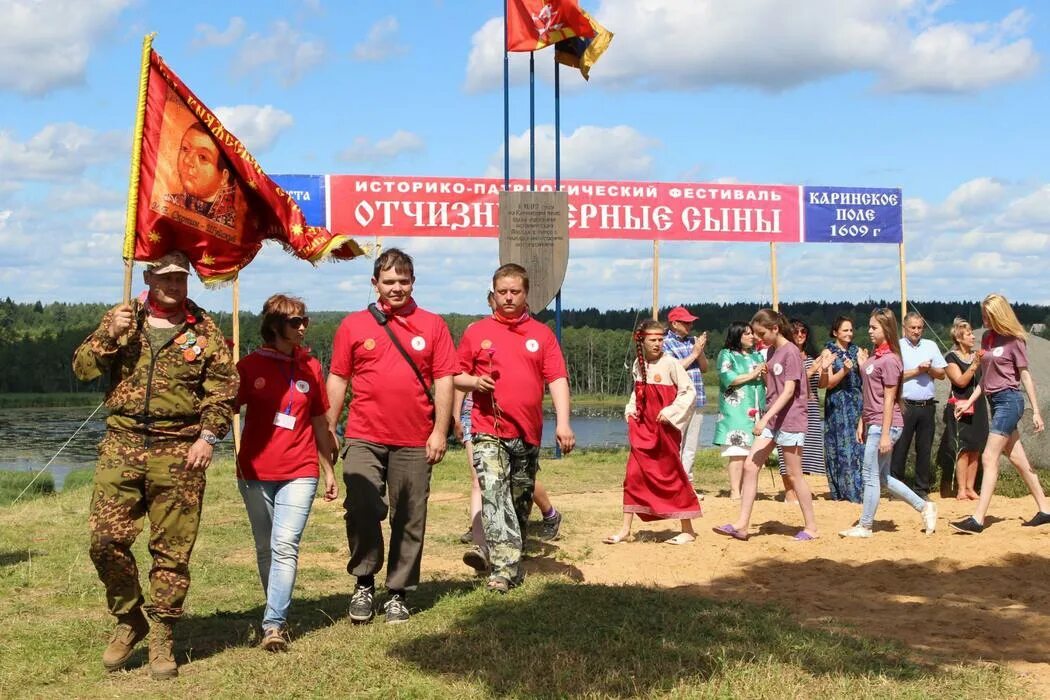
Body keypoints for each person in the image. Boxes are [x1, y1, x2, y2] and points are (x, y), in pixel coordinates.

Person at [72, 250, 237, 680]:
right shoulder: (125, 318)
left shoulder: (205, 330)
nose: (173, 285)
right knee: (105, 541)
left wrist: (208, 437)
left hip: (180, 449)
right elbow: (83, 369)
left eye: (180, 278)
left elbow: (223, 392)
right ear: (148, 276)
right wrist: (109, 334)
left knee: (171, 551)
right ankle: (130, 618)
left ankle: (163, 632)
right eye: (165, 277)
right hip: (122, 443)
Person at [325, 248, 456, 624]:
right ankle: (364, 581)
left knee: (410, 515)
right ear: (375, 284)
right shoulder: (353, 325)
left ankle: (398, 591)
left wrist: (439, 431)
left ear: (413, 282)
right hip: (364, 434)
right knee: (363, 507)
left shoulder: (433, 325)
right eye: (389, 281)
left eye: (403, 281)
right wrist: (330, 428)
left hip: (416, 438)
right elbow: (338, 378)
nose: (396, 288)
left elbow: (444, 379)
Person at [454, 263, 575, 593]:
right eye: (502, 292)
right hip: (486, 428)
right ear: (493, 294)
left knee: (519, 502)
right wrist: (473, 382)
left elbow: (557, 379)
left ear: (525, 294)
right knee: (492, 491)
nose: (508, 298)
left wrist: (563, 423)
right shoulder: (476, 332)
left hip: (527, 433)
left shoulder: (542, 335)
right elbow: (455, 375)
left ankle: (512, 554)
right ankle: (503, 570)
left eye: (515, 292)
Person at [235, 294, 338, 651]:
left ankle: (273, 625)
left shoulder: (311, 366)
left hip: (300, 469)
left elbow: (319, 421)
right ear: (275, 326)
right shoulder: (248, 367)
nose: (303, 326)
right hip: (255, 470)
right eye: (295, 321)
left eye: (304, 319)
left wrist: (328, 470)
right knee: (265, 548)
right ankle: (274, 608)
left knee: (284, 545)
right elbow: (221, 408)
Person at [713, 309, 819, 541]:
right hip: (773, 419)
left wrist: (763, 417)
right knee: (751, 466)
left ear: (775, 328)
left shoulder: (790, 352)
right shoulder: (770, 351)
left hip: (789, 419)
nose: (759, 338)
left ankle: (811, 526)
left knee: (794, 474)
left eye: (762, 333)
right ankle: (742, 524)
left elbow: (789, 390)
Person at [950, 294, 1050, 534]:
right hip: (994, 401)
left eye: (987, 316)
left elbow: (1025, 376)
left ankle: (977, 519)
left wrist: (1036, 411)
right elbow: (986, 379)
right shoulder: (987, 339)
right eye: (983, 315)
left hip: (1010, 401)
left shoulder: (1015, 340)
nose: (984, 320)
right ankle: (1046, 510)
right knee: (1019, 460)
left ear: (999, 314)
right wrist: (968, 401)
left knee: (988, 457)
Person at [839, 309, 937, 538]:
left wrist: (884, 434)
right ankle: (924, 506)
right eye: (870, 327)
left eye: (874, 327)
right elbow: (869, 392)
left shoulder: (891, 360)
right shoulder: (875, 358)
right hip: (874, 422)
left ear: (887, 329)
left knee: (869, 474)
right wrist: (862, 423)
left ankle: (865, 525)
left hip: (886, 424)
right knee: (881, 477)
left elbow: (890, 397)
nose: (869, 331)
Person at [604, 320, 703, 544]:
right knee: (633, 476)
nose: (658, 344)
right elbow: (636, 394)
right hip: (642, 430)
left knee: (671, 475)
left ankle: (687, 529)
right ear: (642, 341)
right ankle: (625, 529)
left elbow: (688, 393)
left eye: (661, 339)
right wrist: (630, 411)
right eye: (653, 340)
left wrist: (670, 412)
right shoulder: (638, 365)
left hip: (664, 431)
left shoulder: (671, 364)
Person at [890, 311, 947, 499]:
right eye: (912, 328)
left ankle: (921, 489)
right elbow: (895, 376)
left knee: (924, 448)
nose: (916, 331)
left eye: (919, 328)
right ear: (904, 328)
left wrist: (929, 369)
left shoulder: (930, 345)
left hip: (927, 405)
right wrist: (916, 371)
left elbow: (942, 374)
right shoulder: (897, 347)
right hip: (905, 404)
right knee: (900, 447)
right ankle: (896, 489)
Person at [712, 321, 767, 500]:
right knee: (737, 451)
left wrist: (764, 374)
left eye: (752, 333)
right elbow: (728, 378)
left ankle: (748, 489)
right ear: (737, 335)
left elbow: (764, 379)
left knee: (753, 452)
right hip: (735, 408)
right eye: (747, 333)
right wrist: (753, 374)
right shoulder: (726, 354)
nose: (752, 336)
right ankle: (735, 490)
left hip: (755, 406)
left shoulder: (757, 355)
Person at [936, 318, 988, 500]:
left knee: (975, 447)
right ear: (958, 338)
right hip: (960, 406)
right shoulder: (950, 358)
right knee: (963, 448)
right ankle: (960, 489)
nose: (973, 337)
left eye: (972, 333)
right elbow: (960, 381)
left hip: (978, 405)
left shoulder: (976, 355)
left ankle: (971, 487)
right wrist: (974, 366)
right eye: (968, 334)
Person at [777, 319, 828, 502]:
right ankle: (789, 492)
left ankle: (799, 488)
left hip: (811, 409)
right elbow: (791, 382)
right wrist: (813, 369)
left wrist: (824, 369)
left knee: (804, 452)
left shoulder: (812, 357)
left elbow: (821, 385)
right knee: (787, 449)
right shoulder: (786, 355)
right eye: (796, 331)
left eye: (803, 331)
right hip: (790, 408)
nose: (800, 335)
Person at [661, 305, 709, 485]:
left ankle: (687, 484)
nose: (690, 325)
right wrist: (694, 353)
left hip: (697, 399)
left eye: (691, 322)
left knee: (691, 446)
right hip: (679, 401)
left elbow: (704, 368)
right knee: (675, 444)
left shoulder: (691, 341)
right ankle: (672, 483)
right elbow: (672, 369)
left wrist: (700, 351)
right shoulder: (665, 343)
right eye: (686, 322)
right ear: (674, 323)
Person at [820, 316, 865, 503]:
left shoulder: (857, 351)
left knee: (858, 445)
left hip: (856, 401)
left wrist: (865, 365)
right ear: (835, 332)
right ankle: (843, 491)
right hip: (838, 403)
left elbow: (865, 379)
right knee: (840, 445)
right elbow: (827, 384)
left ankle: (859, 490)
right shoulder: (829, 352)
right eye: (845, 330)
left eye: (851, 330)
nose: (849, 333)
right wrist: (844, 371)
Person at [164, 123, 236, 227]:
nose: (187, 160)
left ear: (224, 176)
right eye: (185, 149)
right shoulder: (165, 204)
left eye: (202, 157)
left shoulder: (234, 227)